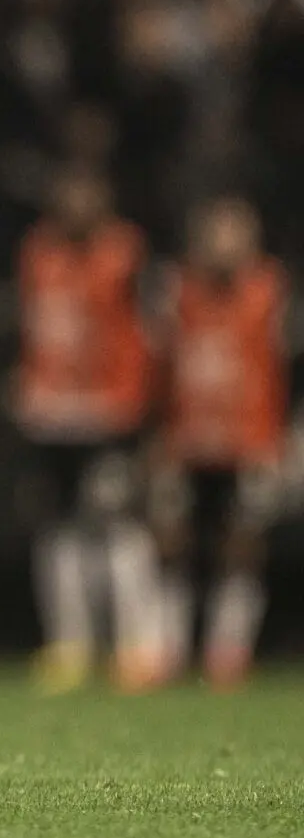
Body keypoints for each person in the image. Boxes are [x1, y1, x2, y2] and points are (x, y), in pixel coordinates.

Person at [12, 166, 156, 693]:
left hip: (110, 412)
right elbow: (32, 323)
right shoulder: (37, 251)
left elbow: (147, 329)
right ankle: (69, 645)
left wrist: (140, 404)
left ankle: (136, 646)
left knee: (118, 526)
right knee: (57, 528)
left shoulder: (126, 252)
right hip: (52, 412)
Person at [149, 196, 289, 689]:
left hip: (251, 438)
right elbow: (156, 365)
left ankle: (228, 650)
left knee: (243, 543)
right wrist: (154, 433)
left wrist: (287, 437)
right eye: (216, 234)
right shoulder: (176, 290)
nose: (224, 246)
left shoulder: (273, 291)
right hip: (187, 437)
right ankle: (166, 645)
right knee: (171, 539)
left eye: (236, 234)